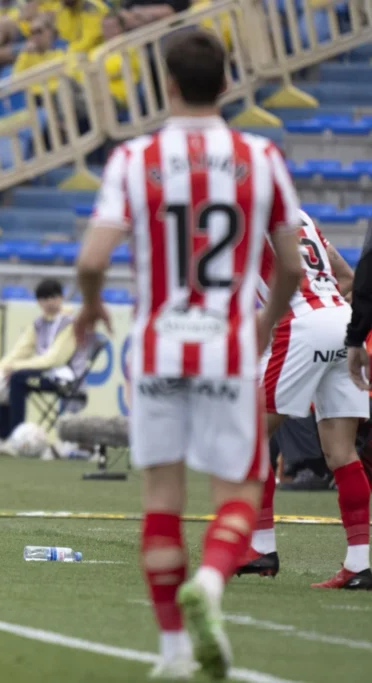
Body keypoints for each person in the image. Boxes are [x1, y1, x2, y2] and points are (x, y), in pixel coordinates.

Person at [73, 30, 303, 679]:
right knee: (239, 489)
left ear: (166, 85)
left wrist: (91, 304)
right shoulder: (260, 156)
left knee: (161, 499)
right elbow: (290, 263)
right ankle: (209, 576)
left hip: (156, 347)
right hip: (226, 344)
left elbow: (91, 258)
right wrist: (264, 319)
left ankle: (172, 649)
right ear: (227, 84)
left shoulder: (134, 157)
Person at [235, 210, 372, 589]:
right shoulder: (302, 217)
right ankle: (358, 565)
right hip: (342, 321)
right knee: (342, 452)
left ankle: (261, 546)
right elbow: (346, 277)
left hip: (301, 325)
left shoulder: (244, 213)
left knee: (247, 437)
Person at [0, 278, 90, 457]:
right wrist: (0, 369)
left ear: (61, 297)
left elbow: (55, 359)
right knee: (0, 381)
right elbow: (20, 350)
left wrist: (15, 368)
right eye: (44, 298)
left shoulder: (70, 324)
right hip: (46, 374)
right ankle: (2, 436)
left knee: (18, 378)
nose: (48, 302)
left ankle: (14, 438)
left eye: (53, 297)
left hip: (67, 377)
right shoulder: (39, 323)